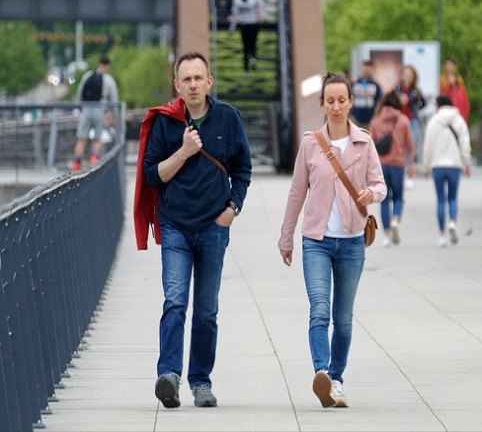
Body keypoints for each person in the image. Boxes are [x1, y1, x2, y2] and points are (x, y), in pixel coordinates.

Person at [133, 51, 252, 409]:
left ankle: (201, 382)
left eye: (199, 77)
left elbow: (242, 169)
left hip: (214, 226)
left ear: (209, 81)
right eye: (186, 79)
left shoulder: (229, 118)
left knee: (206, 311)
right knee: (175, 301)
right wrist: (183, 152)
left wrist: (233, 208)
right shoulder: (166, 123)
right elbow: (153, 174)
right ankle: (169, 375)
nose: (193, 84)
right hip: (176, 227)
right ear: (177, 85)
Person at [278, 72, 386, 408]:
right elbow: (297, 192)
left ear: (351, 102)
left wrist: (372, 193)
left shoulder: (364, 143)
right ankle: (322, 373)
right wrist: (286, 238)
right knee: (319, 311)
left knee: (344, 318)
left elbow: (381, 185)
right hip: (317, 242)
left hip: (352, 242)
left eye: (342, 100)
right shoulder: (311, 143)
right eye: (330, 100)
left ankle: (336, 379)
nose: (336, 106)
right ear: (322, 104)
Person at [421, 94, 472, 247]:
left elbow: (428, 146)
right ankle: (453, 223)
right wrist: (467, 162)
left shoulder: (434, 122)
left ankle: (442, 235)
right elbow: (465, 143)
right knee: (453, 198)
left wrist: (426, 166)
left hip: (437, 165)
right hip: (455, 166)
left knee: (441, 199)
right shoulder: (459, 120)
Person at [369, 90, 415, 247]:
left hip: (381, 166)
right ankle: (395, 219)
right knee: (398, 197)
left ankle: (387, 235)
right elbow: (410, 146)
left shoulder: (376, 121)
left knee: (384, 200)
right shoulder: (403, 121)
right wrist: (412, 166)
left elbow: (370, 146)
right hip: (398, 164)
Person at [70, 56, 119, 171]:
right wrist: (114, 116)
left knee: (82, 138)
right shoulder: (109, 80)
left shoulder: (87, 75)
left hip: (86, 110)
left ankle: (76, 164)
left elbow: (80, 92)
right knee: (97, 138)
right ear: (107, 66)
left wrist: (80, 107)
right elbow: (114, 100)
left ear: (98, 64)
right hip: (99, 111)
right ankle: (93, 161)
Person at [396, 65, 426, 185]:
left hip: (412, 120)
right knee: (400, 147)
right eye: (405, 74)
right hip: (398, 121)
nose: (407, 76)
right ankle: (401, 172)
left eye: (410, 74)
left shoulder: (415, 90)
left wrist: (415, 105)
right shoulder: (397, 89)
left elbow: (423, 102)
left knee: (410, 147)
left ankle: (409, 173)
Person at [229, 0, 266, 75]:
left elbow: (235, 14)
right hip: (254, 23)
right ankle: (253, 57)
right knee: (253, 43)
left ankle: (246, 69)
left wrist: (232, 28)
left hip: (244, 24)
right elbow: (262, 4)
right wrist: (261, 14)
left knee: (245, 46)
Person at [350, 60, 382, 129]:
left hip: (369, 121)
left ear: (372, 69)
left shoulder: (375, 85)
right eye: (365, 67)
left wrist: (376, 116)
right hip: (355, 119)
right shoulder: (355, 83)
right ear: (362, 68)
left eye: (369, 68)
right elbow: (349, 97)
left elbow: (379, 101)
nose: (366, 70)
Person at [439, 58, 471, 123]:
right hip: (447, 114)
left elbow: (464, 100)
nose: (449, 67)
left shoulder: (459, 81)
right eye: (447, 65)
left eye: (450, 65)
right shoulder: (442, 79)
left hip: (460, 115)